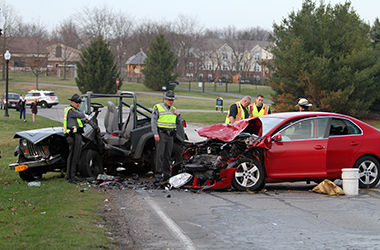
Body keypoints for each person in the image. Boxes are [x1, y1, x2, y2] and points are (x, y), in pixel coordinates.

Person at [151, 90, 180, 185]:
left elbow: (178, 122)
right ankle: (158, 176)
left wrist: (178, 115)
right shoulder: (158, 107)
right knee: (160, 156)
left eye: (172, 100)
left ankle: (167, 176)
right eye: (169, 99)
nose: (171, 101)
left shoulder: (174, 109)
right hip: (161, 134)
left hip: (170, 136)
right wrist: (155, 133)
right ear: (165, 99)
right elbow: (153, 122)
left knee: (167, 156)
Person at [64, 94, 86, 184]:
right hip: (73, 135)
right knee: (74, 156)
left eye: (79, 102)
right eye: (76, 102)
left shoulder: (71, 110)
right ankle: (71, 177)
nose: (78, 104)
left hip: (74, 135)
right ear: (71, 102)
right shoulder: (72, 111)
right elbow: (82, 115)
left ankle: (70, 175)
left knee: (73, 156)